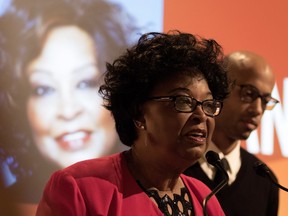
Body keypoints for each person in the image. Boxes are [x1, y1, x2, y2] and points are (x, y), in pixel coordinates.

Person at [36, 30, 230, 215]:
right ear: (139, 114)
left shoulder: (204, 197)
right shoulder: (80, 187)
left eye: (208, 104)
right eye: (182, 101)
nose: (201, 115)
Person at [0, 0, 137, 205]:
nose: (68, 110)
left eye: (85, 83)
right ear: (19, 106)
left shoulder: (159, 199)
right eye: (43, 89)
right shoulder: (9, 205)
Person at [184, 51, 280, 216]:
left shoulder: (265, 181)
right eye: (249, 93)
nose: (257, 110)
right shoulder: (175, 165)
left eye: (265, 101)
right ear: (218, 90)